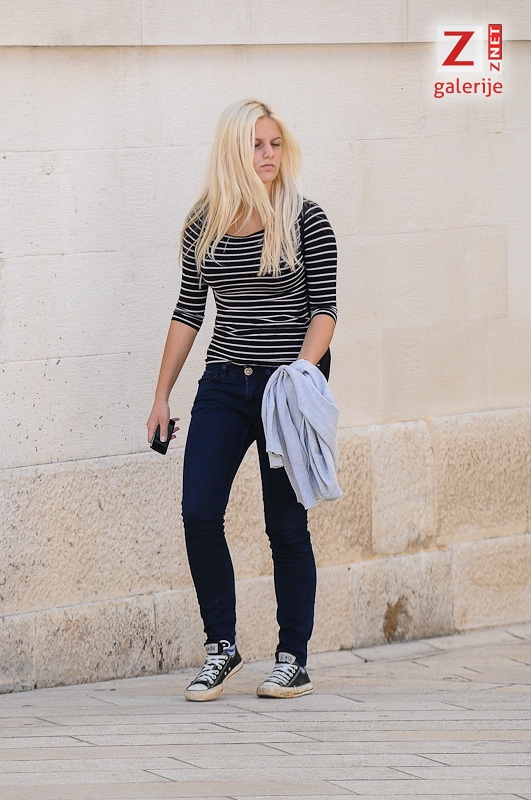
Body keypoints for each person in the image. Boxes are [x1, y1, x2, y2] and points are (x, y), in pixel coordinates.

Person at [146, 99, 337, 701]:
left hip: (285, 387)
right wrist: (161, 396)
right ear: (234, 151)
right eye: (257, 145)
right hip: (225, 384)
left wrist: (301, 375)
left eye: (275, 144)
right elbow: (188, 311)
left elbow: (325, 311)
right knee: (199, 511)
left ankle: (292, 657)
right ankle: (221, 647)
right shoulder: (202, 224)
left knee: (285, 525)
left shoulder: (305, 219)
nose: (269, 155)